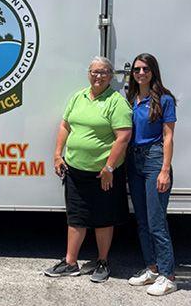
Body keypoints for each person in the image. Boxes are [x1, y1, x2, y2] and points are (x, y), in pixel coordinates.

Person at [44, 56, 132, 283]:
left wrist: (109, 167)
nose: (98, 76)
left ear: (111, 76)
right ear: (88, 74)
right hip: (74, 168)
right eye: (94, 71)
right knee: (76, 217)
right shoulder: (78, 97)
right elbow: (65, 125)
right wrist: (57, 154)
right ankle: (70, 262)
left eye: (103, 72)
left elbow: (123, 137)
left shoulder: (116, 101)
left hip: (103, 172)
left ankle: (102, 261)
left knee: (103, 218)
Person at [125, 53, 178, 296]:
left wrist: (164, 170)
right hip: (133, 160)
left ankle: (168, 276)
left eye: (145, 68)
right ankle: (152, 268)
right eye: (137, 69)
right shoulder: (132, 98)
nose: (141, 73)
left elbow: (168, 137)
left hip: (154, 159)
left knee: (157, 222)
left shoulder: (164, 100)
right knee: (142, 221)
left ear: (153, 71)